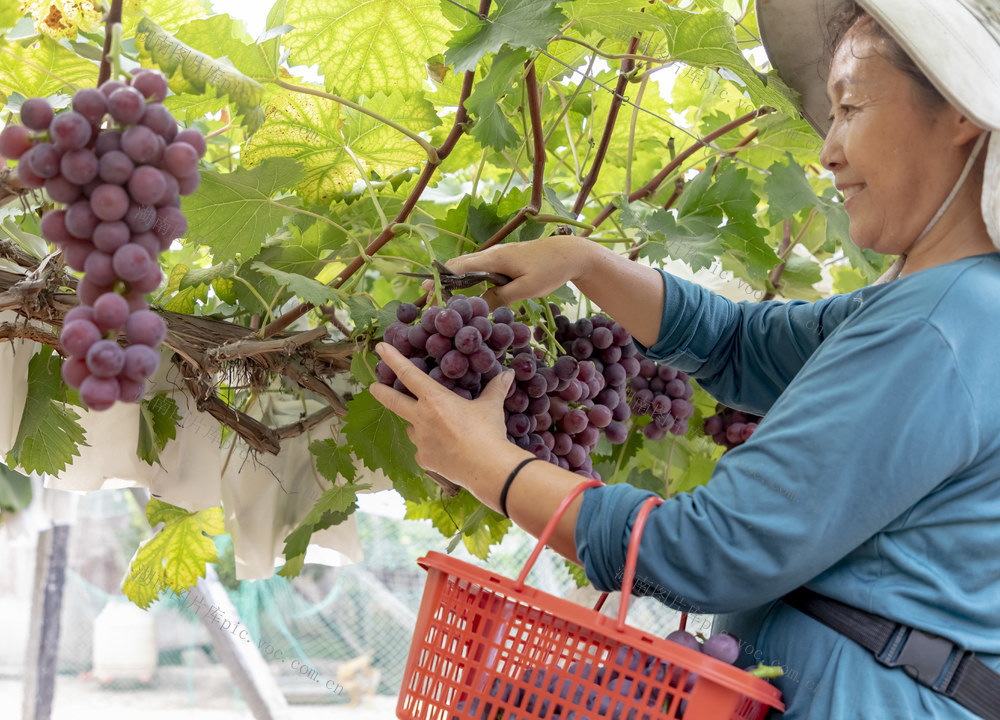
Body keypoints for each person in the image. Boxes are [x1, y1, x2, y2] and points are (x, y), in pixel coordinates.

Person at [371, 0, 1000, 717]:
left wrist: (492, 468)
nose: (828, 149)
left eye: (850, 107)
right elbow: (738, 344)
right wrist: (586, 262)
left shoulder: (941, 326)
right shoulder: (948, 307)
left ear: (960, 109)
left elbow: (713, 550)